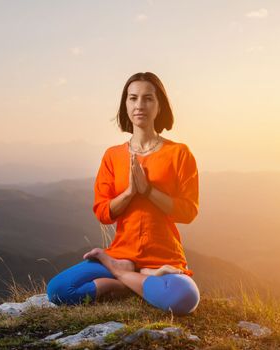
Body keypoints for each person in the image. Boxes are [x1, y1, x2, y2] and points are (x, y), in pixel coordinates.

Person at [47, 72, 200, 316]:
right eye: (133, 98)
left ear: (160, 105)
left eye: (148, 98)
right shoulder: (113, 155)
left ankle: (123, 276)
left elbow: (188, 211)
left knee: (185, 297)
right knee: (58, 290)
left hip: (163, 259)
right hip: (122, 255)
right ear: (125, 105)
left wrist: (149, 191)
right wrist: (130, 192)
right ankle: (133, 280)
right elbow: (103, 213)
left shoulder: (179, 154)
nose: (140, 105)